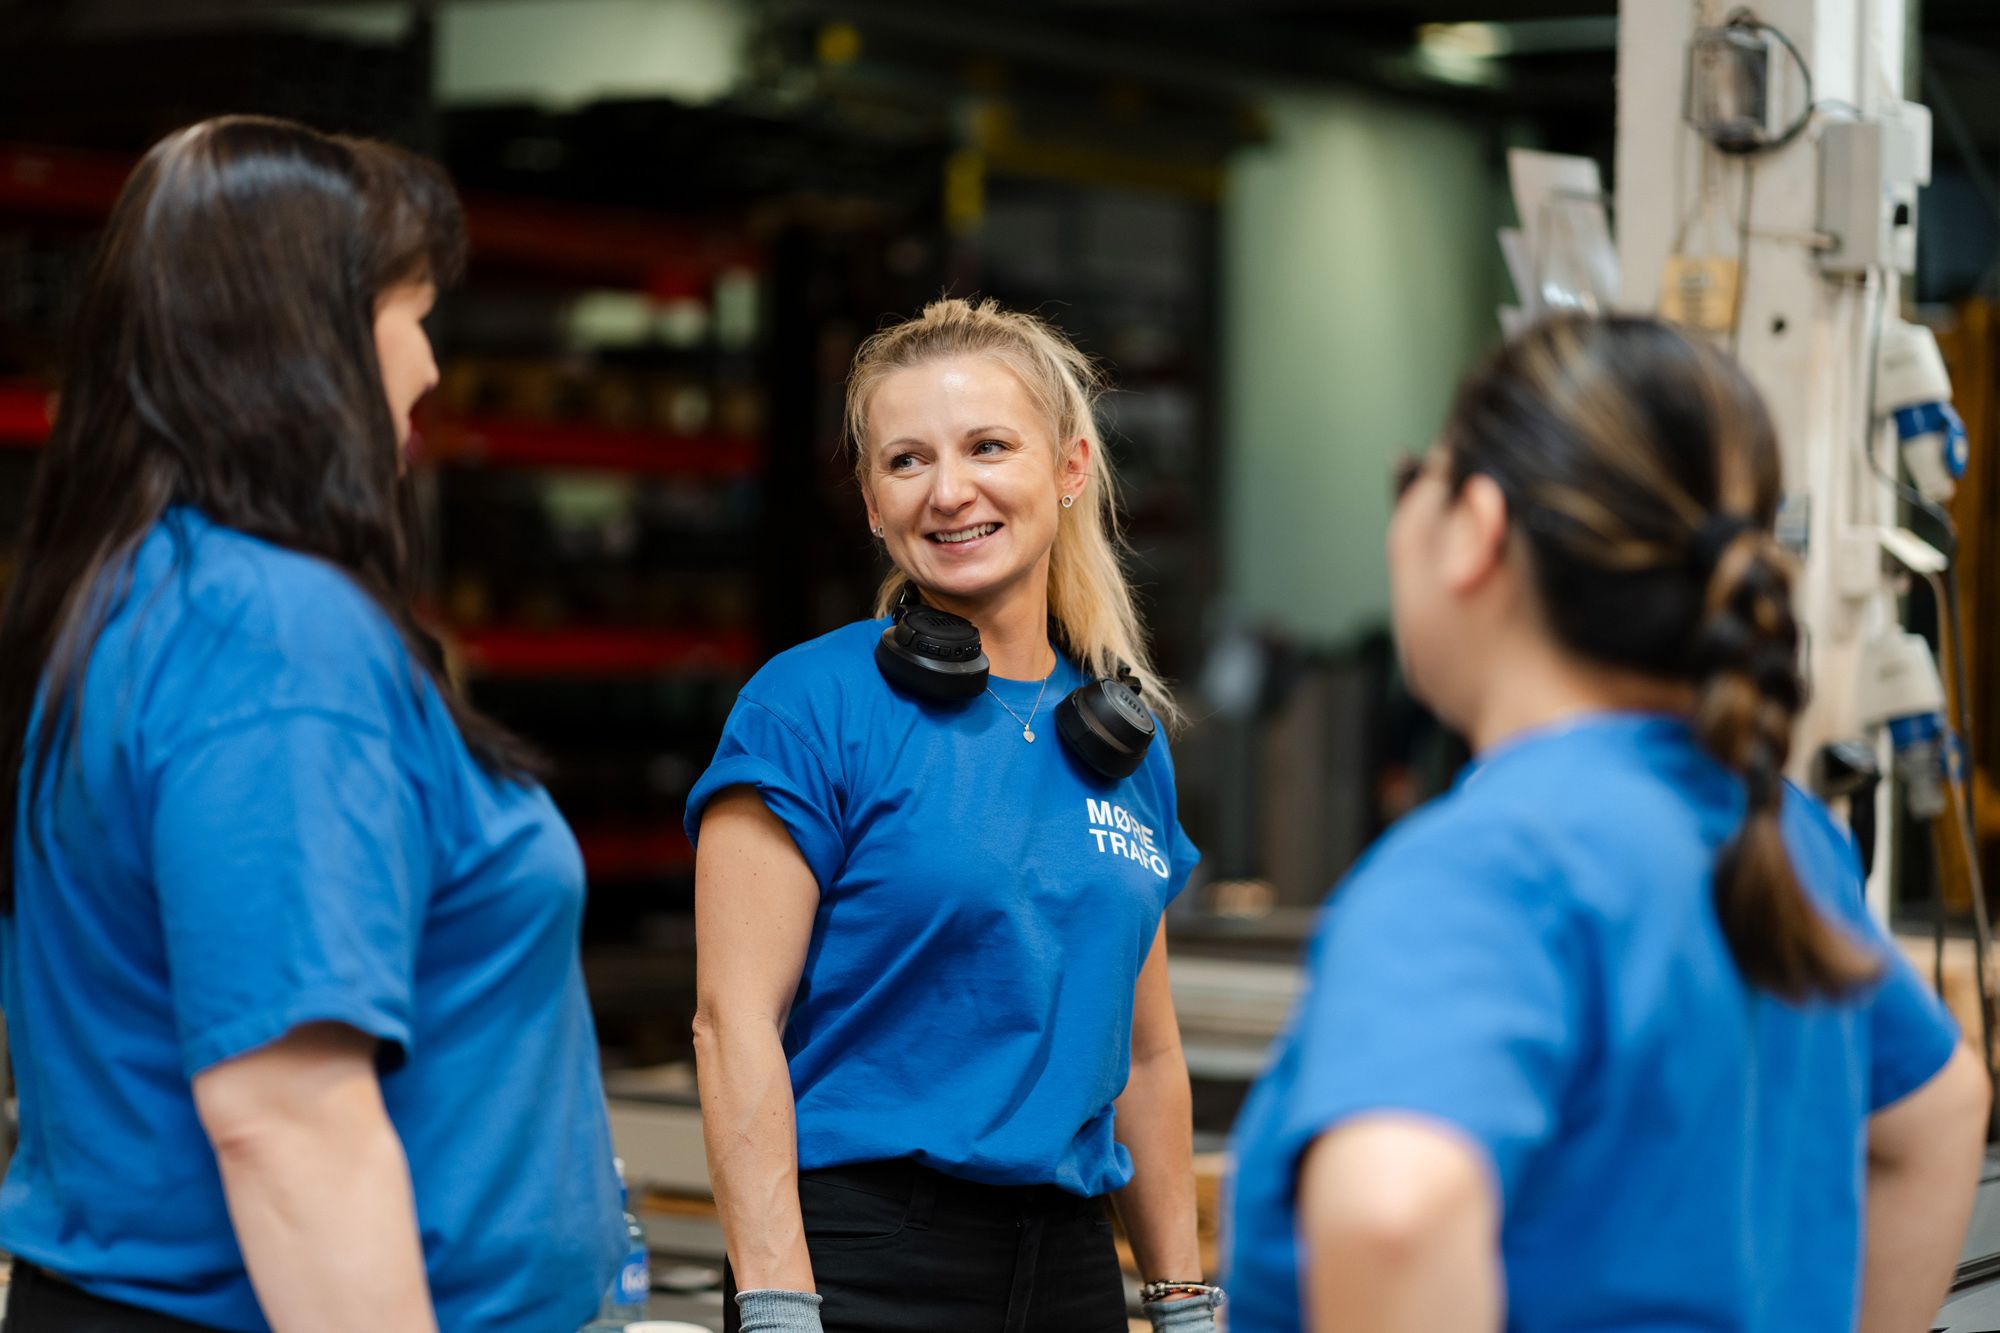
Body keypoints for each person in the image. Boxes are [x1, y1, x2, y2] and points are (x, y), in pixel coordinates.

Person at [1224, 314, 1991, 1333]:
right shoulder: (1781, 835)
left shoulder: (1486, 865)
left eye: (1418, 477)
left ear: (1474, 531)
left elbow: (1390, 1215)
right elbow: (1937, 1113)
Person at [0, 116, 624, 1332]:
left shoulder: (143, 600)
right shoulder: (267, 631)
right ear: (306, 339)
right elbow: (289, 1123)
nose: (432, 366)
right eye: (410, 310)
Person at [686, 298, 1221, 1333]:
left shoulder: (1120, 740)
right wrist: (779, 1303)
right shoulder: (808, 706)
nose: (949, 491)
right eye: (905, 461)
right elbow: (729, 1022)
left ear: (1068, 470)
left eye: (986, 446)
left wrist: (1182, 1299)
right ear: (873, 503)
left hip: (1065, 1262)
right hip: (861, 1257)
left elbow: (1145, 1057)